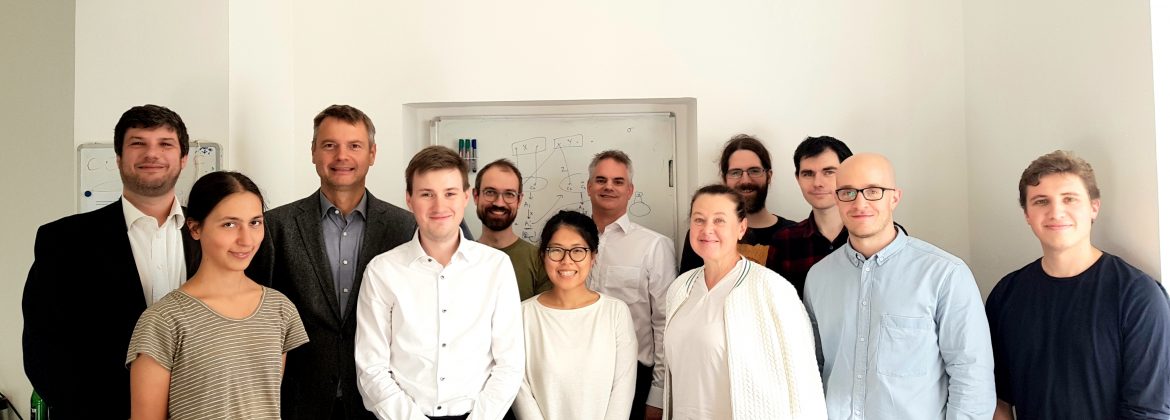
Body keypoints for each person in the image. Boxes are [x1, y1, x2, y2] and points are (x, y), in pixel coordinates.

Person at [22, 104, 201, 419]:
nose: (152, 153)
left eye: (165, 144)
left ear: (183, 158)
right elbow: (43, 351)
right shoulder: (63, 240)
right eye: (138, 143)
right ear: (118, 157)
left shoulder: (214, 235)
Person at [246, 105, 417, 419]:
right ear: (313, 151)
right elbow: (257, 320)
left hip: (384, 402)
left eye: (354, 146)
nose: (342, 156)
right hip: (299, 400)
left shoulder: (405, 227)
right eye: (329, 145)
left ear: (372, 153)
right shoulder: (275, 226)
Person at [804, 153, 995, 419]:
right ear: (837, 199)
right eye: (848, 192)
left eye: (873, 191)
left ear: (894, 197)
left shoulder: (945, 274)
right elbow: (812, 368)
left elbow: (972, 376)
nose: (860, 203)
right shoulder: (818, 277)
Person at [986, 150, 1170, 419]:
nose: (1056, 212)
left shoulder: (1137, 296)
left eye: (1069, 199)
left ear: (1094, 207)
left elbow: (1148, 411)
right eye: (1041, 201)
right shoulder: (1006, 295)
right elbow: (997, 398)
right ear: (1027, 214)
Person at [355, 145, 524, 420]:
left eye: (450, 193)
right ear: (409, 199)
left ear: (466, 197)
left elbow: (510, 363)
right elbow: (371, 368)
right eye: (426, 194)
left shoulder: (496, 267)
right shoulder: (382, 271)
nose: (439, 206)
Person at [126, 171, 309, 419]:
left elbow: (264, 403)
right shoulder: (164, 320)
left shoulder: (279, 309)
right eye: (229, 224)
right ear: (195, 228)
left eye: (255, 223)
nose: (246, 240)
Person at [662, 184, 825, 420]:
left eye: (719, 220)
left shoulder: (772, 289)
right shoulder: (679, 289)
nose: (707, 229)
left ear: (741, 228)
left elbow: (804, 380)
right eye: (699, 220)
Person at [513, 210, 637, 420]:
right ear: (543, 255)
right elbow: (520, 389)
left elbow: (622, 389)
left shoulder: (615, 313)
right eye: (556, 250)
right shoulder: (523, 315)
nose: (566, 261)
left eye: (578, 251)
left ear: (593, 256)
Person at [585, 150, 676, 420]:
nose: (609, 187)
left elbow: (665, 324)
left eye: (618, 181)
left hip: (635, 376)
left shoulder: (654, 246)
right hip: (579, 372)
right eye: (601, 180)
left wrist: (658, 394)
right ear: (589, 187)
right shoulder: (570, 243)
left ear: (630, 190)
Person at [679, 135, 796, 273]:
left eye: (754, 171)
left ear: (769, 176)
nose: (745, 180)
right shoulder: (703, 235)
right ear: (724, 179)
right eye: (735, 173)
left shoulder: (794, 234)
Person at [766, 136, 853, 297]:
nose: (817, 183)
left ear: (848, 174)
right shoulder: (784, 241)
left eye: (829, 172)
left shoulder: (876, 235)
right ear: (798, 178)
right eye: (808, 174)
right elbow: (774, 305)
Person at [474, 158, 552, 301]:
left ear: (519, 200)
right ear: (476, 196)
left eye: (509, 194)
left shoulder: (539, 261)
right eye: (490, 192)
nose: (499, 203)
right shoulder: (458, 258)